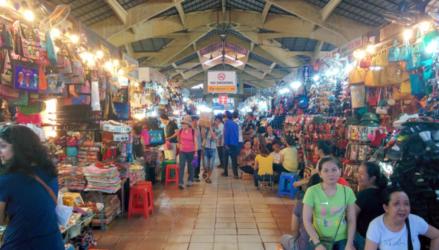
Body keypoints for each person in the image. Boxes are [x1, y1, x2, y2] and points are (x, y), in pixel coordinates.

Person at [0, 125, 64, 249]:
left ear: (19, 148)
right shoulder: (49, 173)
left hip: (22, 243)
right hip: (53, 242)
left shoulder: (7, 180)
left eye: (3, 146)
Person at [303, 156, 357, 250]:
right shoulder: (312, 191)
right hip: (319, 238)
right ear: (320, 173)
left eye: (334, 170)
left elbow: (351, 219)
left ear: (340, 171)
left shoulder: (347, 192)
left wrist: (349, 243)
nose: (330, 174)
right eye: (326, 170)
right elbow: (306, 220)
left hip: (341, 238)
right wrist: (317, 243)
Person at [365, 187, 439, 250]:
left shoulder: (415, 221)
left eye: (406, 203)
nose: (403, 208)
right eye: (396, 204)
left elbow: (436, 236)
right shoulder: (376, 226)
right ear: (386, 208)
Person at [280, 174, 322, 250]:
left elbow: (294, 229)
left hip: (304, 246)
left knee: (284, 238)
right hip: (327, 245)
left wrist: (296, 240)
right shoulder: (334, 205)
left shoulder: (302, 203)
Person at [355, 162, 388, 249]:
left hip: (364, 239)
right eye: (358, 173)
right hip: (379, 239)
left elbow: (351, 217)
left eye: (362, 174)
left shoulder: (364, 195)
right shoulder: (384, 193)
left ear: (372, 178)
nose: (358, 176)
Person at [177, 115, 198, 189]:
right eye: (182, 124)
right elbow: (178, 141)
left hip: (191, 151)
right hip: (182, 151)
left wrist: (195, 152)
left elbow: (195, 142)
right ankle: (180, 182)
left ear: (188, 124)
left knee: (191, 166)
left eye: (184, 124)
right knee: (181, 166)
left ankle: (190, 180)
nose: (182, 125)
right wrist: (179, 145)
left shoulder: (193, 131)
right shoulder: (180, 131)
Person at [223, 111, 240, 178]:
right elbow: (237, 134)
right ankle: (235, 174)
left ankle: (225, 173)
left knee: (225, 159)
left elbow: (226, 134)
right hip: (235, 143)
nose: (223, 117)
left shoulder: (226, 123)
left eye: (224, 116)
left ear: (226, 116)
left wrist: (226, 143)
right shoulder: (235, 124)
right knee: (234, 160)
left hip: (228, 143)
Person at [201, 119, 217, 184]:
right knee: (206, 165)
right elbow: (203, 137)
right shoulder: (206, 130)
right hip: (206, 149)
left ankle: (208, 177)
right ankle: (205, 172)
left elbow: (213, 137)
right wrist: (203, 128)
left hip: (213, 149)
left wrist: (210, 128)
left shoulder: (217, 130)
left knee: (211, 165)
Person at [191, 116, 203, 182]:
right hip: (192, 149)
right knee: (194, 162)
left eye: (196, 121)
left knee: (197, 162)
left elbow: (201, 138)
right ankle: (194, 176)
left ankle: (196, 175)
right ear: (191, 121)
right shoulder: (190, 129)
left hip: (199, 148)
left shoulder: (199, 128)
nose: (195, 122)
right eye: (194, 121)